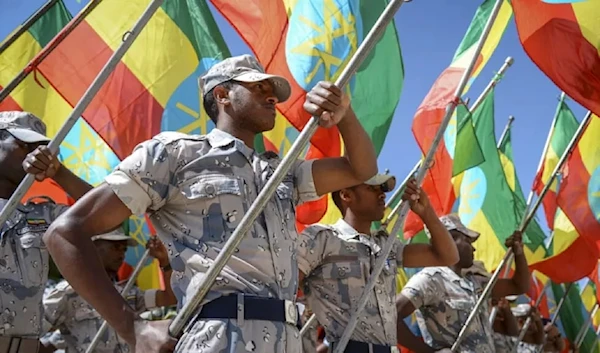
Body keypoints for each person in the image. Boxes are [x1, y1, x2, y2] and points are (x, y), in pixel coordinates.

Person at [43, 54, 379, 353]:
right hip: (218, 335)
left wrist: (343, 115)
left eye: (270, 90)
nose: (271, 95)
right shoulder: (175, 155)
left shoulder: (281, 171)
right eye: (257, 87)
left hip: (287, 337)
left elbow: (360, 169)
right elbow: (64, 233)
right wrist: (132, 327)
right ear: (222, 95)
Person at [298, 174, 458, 353]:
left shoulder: (385, 245)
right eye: (372, 188)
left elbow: (447, 256)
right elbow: (284, 287)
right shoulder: (322, 239)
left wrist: (426, 212)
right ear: (346, 195)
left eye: (382, 189)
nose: (381, 194)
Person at [0, 111, 92, 352]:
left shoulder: (40, 216)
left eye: (41, 149)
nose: (34, 155)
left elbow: (104, 214)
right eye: (23, 145)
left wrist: (58, 172)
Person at [396, 214, 531, 353]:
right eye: (468, 241)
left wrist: (519, 252)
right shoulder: (430, 279)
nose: (473, 249)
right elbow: (389, 316)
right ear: (451, 240)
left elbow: (519, 286)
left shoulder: (474, 281)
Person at [42, 231, 176, 352]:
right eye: (115, 247)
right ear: (93, 248)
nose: (121, 255)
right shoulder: (69, 292)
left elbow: (169, 297)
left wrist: (164, 261)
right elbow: (29, 333)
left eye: (124, 249)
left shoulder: (127, 292)